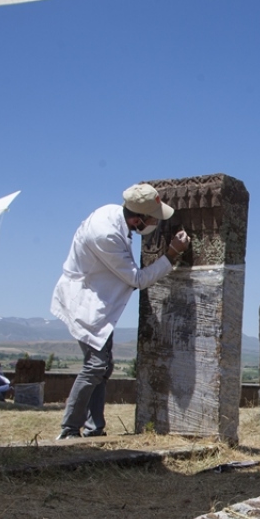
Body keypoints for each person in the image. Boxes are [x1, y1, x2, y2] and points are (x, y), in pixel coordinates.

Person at [50, 183, 191, 439]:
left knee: (103, 367)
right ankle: (70, 428)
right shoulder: (106, 235)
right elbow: (136, 279)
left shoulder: (113, 214)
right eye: (153, 219)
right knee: (96, 366)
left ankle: (95, 428)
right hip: (87, 302)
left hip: (99, 301)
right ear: (138, 219)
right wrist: (171, 255)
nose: (156, 224)